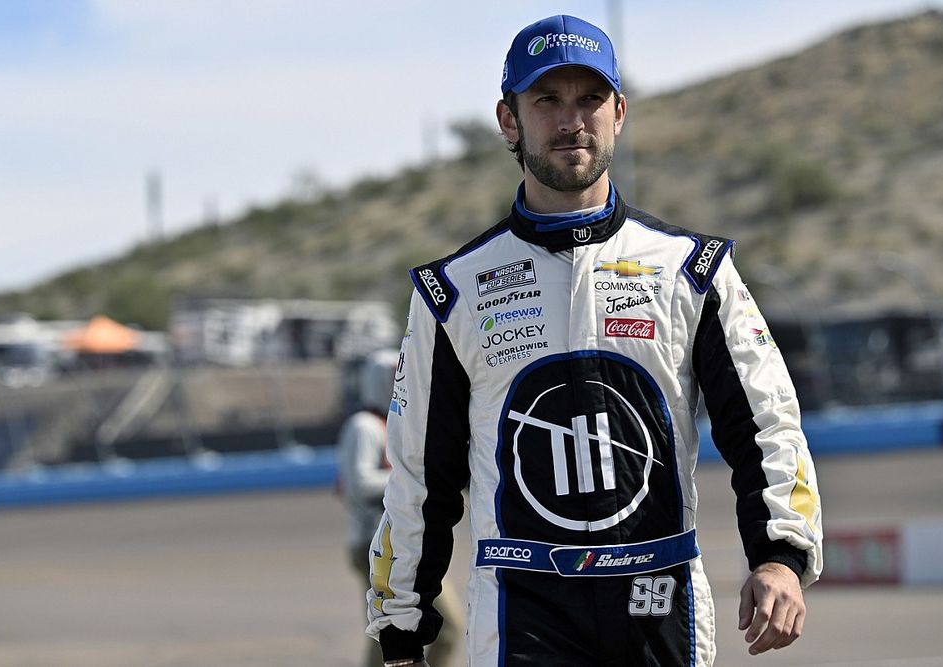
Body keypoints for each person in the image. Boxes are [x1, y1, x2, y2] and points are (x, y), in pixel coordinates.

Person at [366, 14, 823, 667]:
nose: (570, 119)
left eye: (590, 99)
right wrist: (402, 626)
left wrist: (780, 555)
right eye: (547, 100)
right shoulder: (452, 291)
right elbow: (419, 473)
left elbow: (768, 426)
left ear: (619, 112)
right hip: (524, 606)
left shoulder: (692, 271)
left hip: (661, 602)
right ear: (509, 119)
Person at [339, 349, 460, 667]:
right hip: (377, 543)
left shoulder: (402, 425)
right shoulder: (365, 426)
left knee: (405, 633)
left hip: (407, 541)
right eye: (395, 375)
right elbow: (359, 484)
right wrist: (414, 478)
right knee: (396, 633)